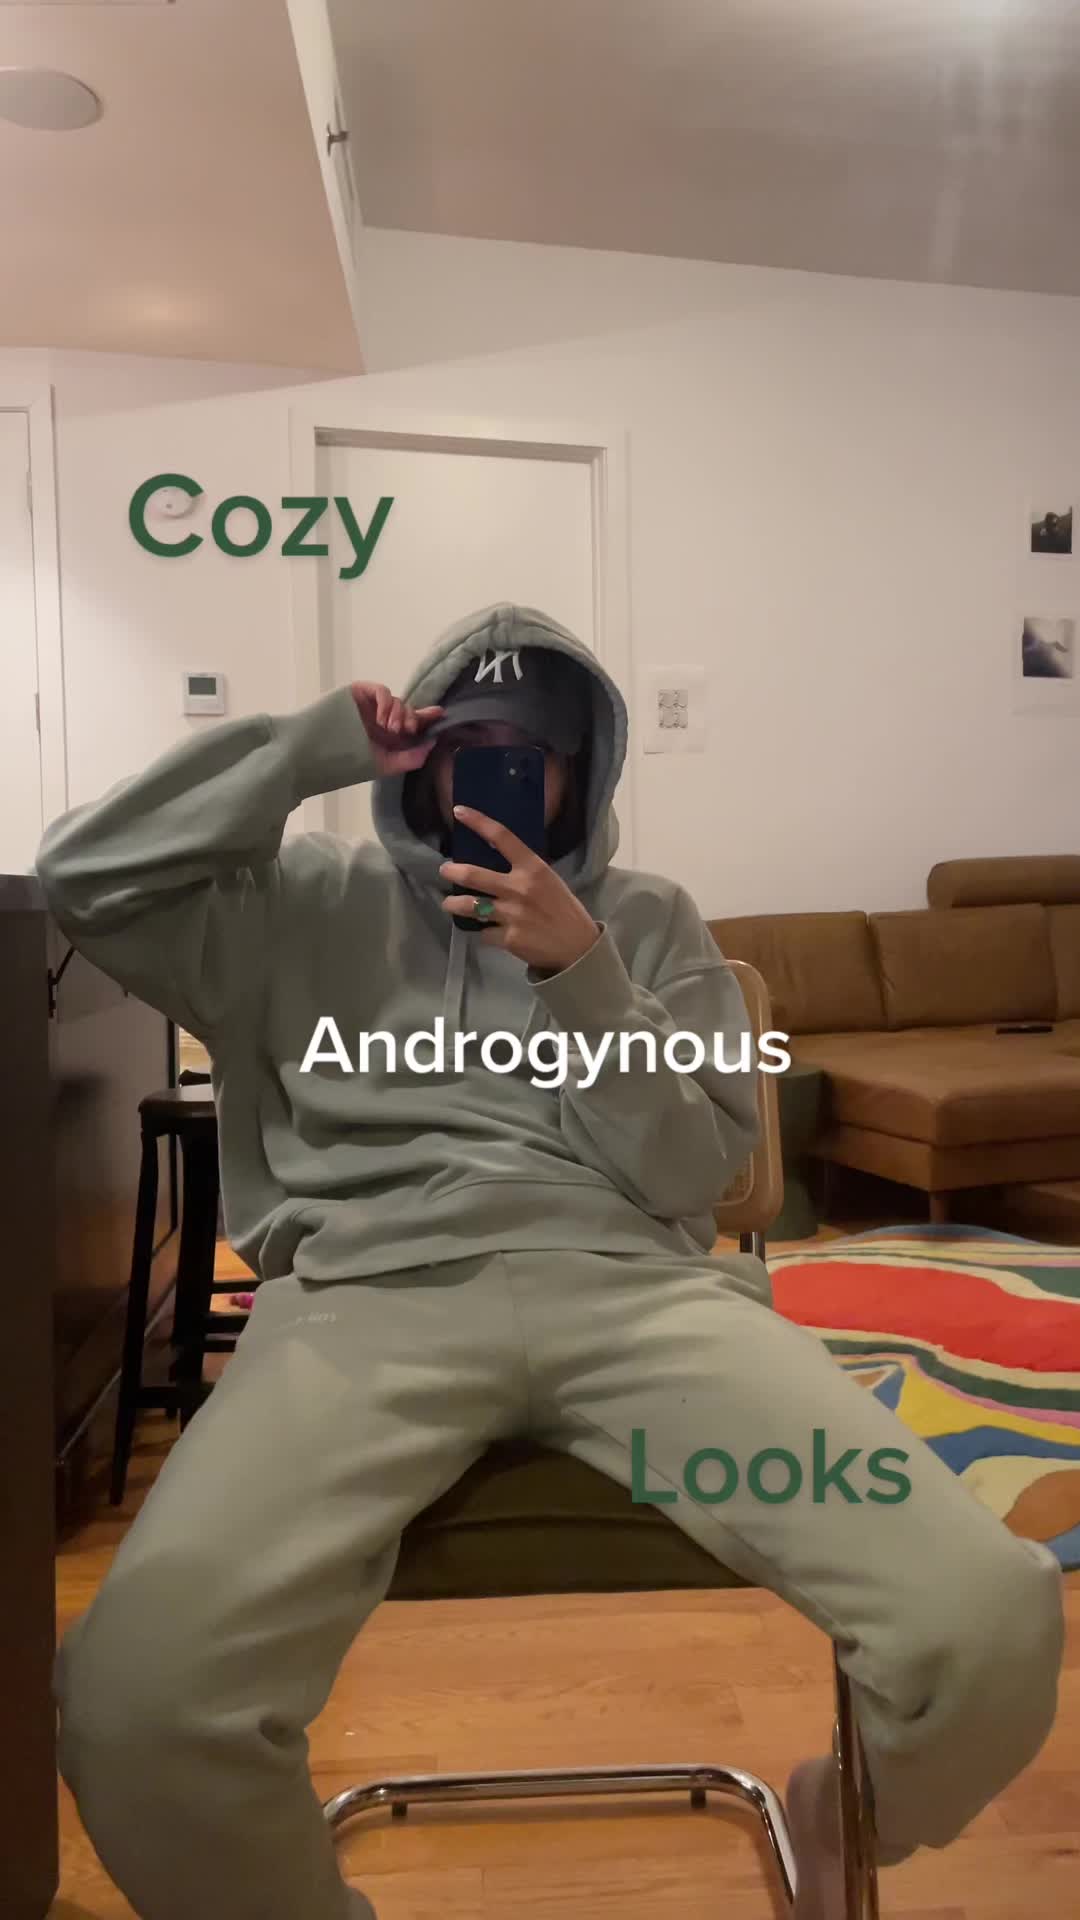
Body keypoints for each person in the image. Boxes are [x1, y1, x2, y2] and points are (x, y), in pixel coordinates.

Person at [37, 603, 1063, 1920]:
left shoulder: (649, 919)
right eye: (466, 743)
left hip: (641, 1311)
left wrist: (586, 974)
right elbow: (87, 877)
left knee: (988, 1620)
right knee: (138, 1702)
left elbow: (695, 1174)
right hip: (360, 1316)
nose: (498, 775)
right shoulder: (298, 903)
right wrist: (303, 753)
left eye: (532, 754)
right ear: (420, 755)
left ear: (584, 771)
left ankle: (846, 1811)